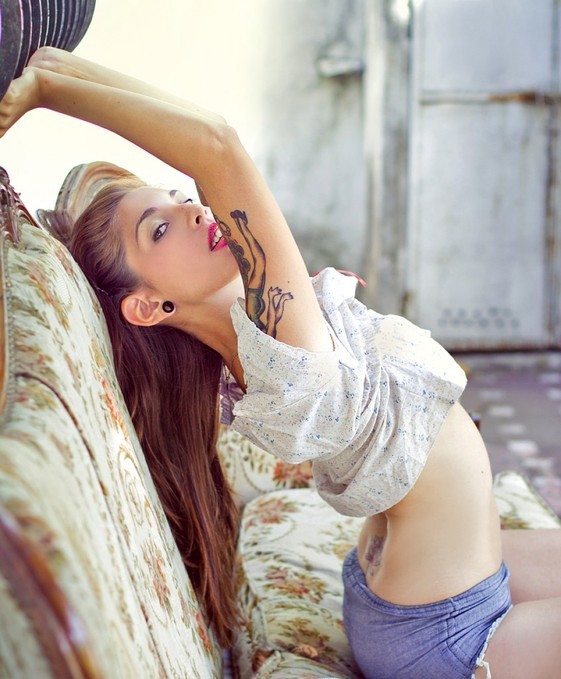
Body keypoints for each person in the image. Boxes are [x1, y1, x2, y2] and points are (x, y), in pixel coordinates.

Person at [1, 47, 560, 677]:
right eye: (158, 229)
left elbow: (208, 151)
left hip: (442, 581)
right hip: (450, 635)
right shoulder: (285, 351)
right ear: (149, 306)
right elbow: (217, 146)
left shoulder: (253, 333)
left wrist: (57, 65)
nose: (196, 210)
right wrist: (49, 92)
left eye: (182, 197)